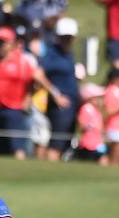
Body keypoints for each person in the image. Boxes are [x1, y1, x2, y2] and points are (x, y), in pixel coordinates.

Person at [0, 26, 68, 159]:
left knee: (18, 149)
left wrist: (54, 95)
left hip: (14, 110)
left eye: (2, 42)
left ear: (11, 43)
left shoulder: (21, 61)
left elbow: (38, 77)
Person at [40, 17, 78, 160]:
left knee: (65, 145)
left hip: (72, 105)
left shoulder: (69, 54)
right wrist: (56, 94)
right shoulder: (52, 53)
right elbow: (38, 74)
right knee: (56, 144)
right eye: (64, 38)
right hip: (60, 107)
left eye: (69, 38)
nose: (67, 41)